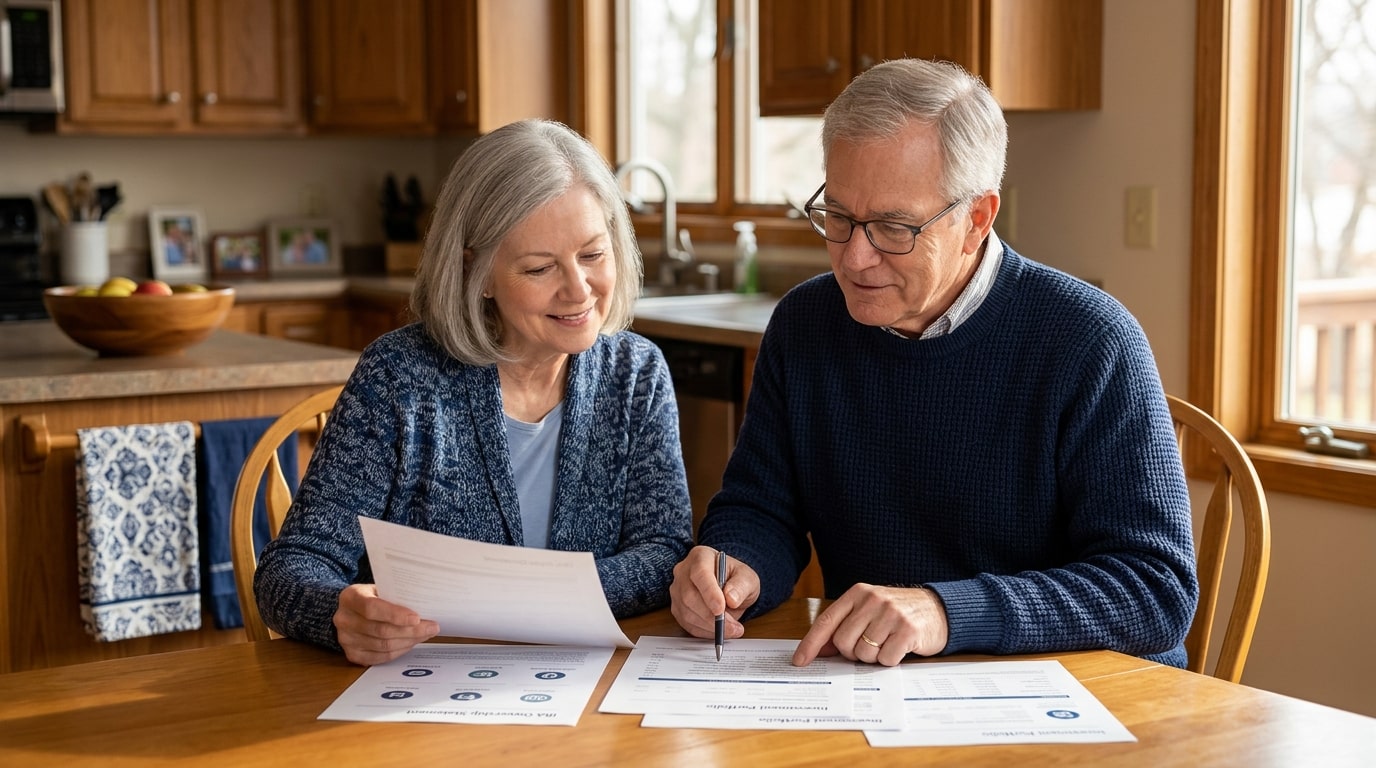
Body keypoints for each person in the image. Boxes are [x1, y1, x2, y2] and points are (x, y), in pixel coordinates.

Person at [669, 59, 1199, 669]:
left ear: (976, 220)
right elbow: (761, 508)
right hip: (881, 688)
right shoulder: (805, 324)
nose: (855, 257)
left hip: (1073, 698)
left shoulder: (1091, 339)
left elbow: (1154, 588)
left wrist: (947, 611)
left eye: (894, 227)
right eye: (837, 217)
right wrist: (733, 568)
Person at [256, 119, 694, 666]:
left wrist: (526, 595)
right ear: (477, 273)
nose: (579, 290)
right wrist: (339, 613)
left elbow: (666, 553)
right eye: (539, 267)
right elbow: (290, 570)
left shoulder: (636, 373)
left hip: (582, 689)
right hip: (422, 695)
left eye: (592, 254)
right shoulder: (399, 376)